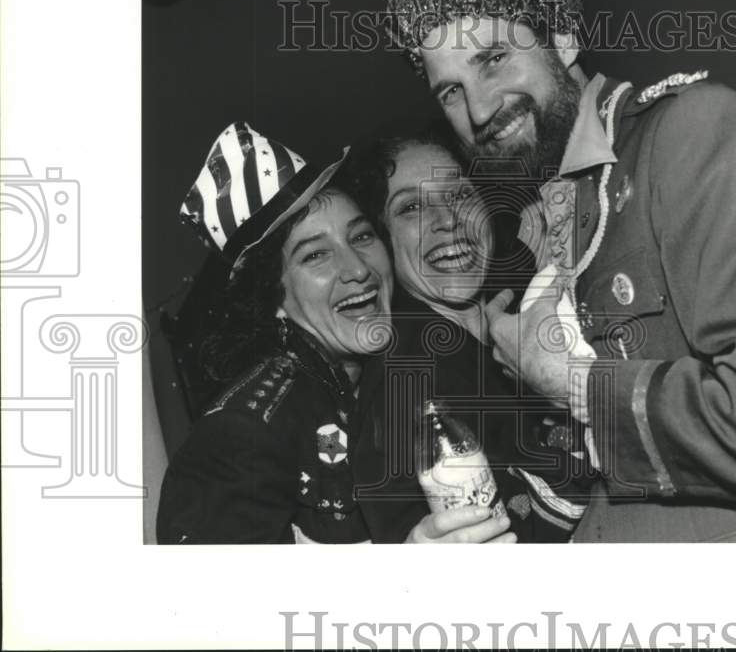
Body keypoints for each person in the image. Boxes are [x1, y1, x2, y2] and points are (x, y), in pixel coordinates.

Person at [384, 0, 736, 541]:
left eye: (494, 59)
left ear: (562, 38)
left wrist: (570, 382)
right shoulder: (559, 205)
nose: (480, 109)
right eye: (451, 93)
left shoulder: (690, 132)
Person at [156, 121, 514, 544]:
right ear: (271, 293)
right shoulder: (241, 434)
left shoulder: (378, 382)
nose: (359, 269)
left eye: (361, 236)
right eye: (316, 255)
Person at [343, 126, 593, 542]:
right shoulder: (403, 383)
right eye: (411, 208)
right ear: (382, 239)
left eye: (459, 195)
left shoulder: (530, 307)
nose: (447, 221)